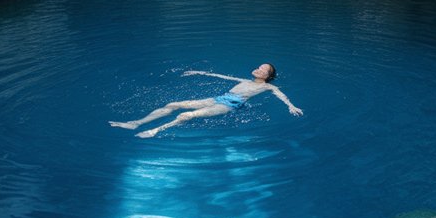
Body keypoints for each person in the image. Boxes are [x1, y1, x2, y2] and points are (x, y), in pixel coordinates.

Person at [109, 63, 303, 138]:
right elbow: (223, 77)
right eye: (259, 66)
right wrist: (200, 72)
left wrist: (291, 106)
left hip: (230, 105)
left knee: (187, 115)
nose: (258, 69)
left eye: (263, 69)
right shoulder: (244, 80)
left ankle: (155, 130)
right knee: (173, 104)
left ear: (268, 76)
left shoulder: (268, 87)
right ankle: (136, 123)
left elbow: (281, 95)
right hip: (220, 98)